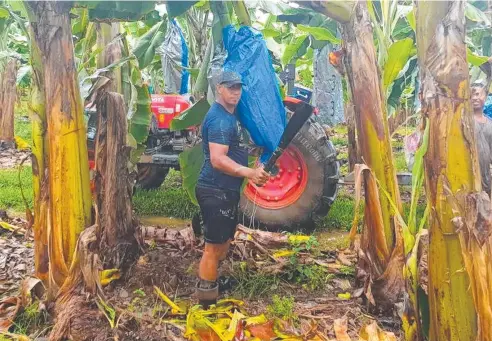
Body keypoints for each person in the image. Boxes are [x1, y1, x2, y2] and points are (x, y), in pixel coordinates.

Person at [195, 70, 269, 308]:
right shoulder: (219, 119)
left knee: (224, 243)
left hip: (225, 190)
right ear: (219, 88)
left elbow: (235, 146)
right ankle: (206, 301)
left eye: (238, 88)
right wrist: (250, 173)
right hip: (215, 189)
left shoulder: (231, 115)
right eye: (230, 88)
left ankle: (213, 281)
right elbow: (218, 159)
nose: (236, 92)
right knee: (212, 248)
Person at [471, 82, 492, 197]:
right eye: (471, 95)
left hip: (486, 175)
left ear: (485, 96)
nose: (475, 98)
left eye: (478, 94)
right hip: (468, 175)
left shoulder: (490, 123)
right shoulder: (464, 121)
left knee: (486, 207)